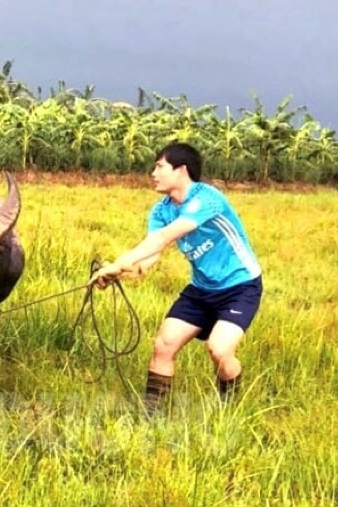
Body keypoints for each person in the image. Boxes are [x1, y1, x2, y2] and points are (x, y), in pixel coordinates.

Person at [93, 142, 262, 415]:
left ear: (181, 170)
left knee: (219, 350)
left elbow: (164, 237)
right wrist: (119, 273)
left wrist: (121, 261)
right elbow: (150, 257)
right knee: (164, 345)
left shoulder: (207, 198)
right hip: (200, 290)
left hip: (240, 287)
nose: (153, 174)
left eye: (159, 166)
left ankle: (230, 406)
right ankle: (153, 415)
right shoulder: (161, 211)